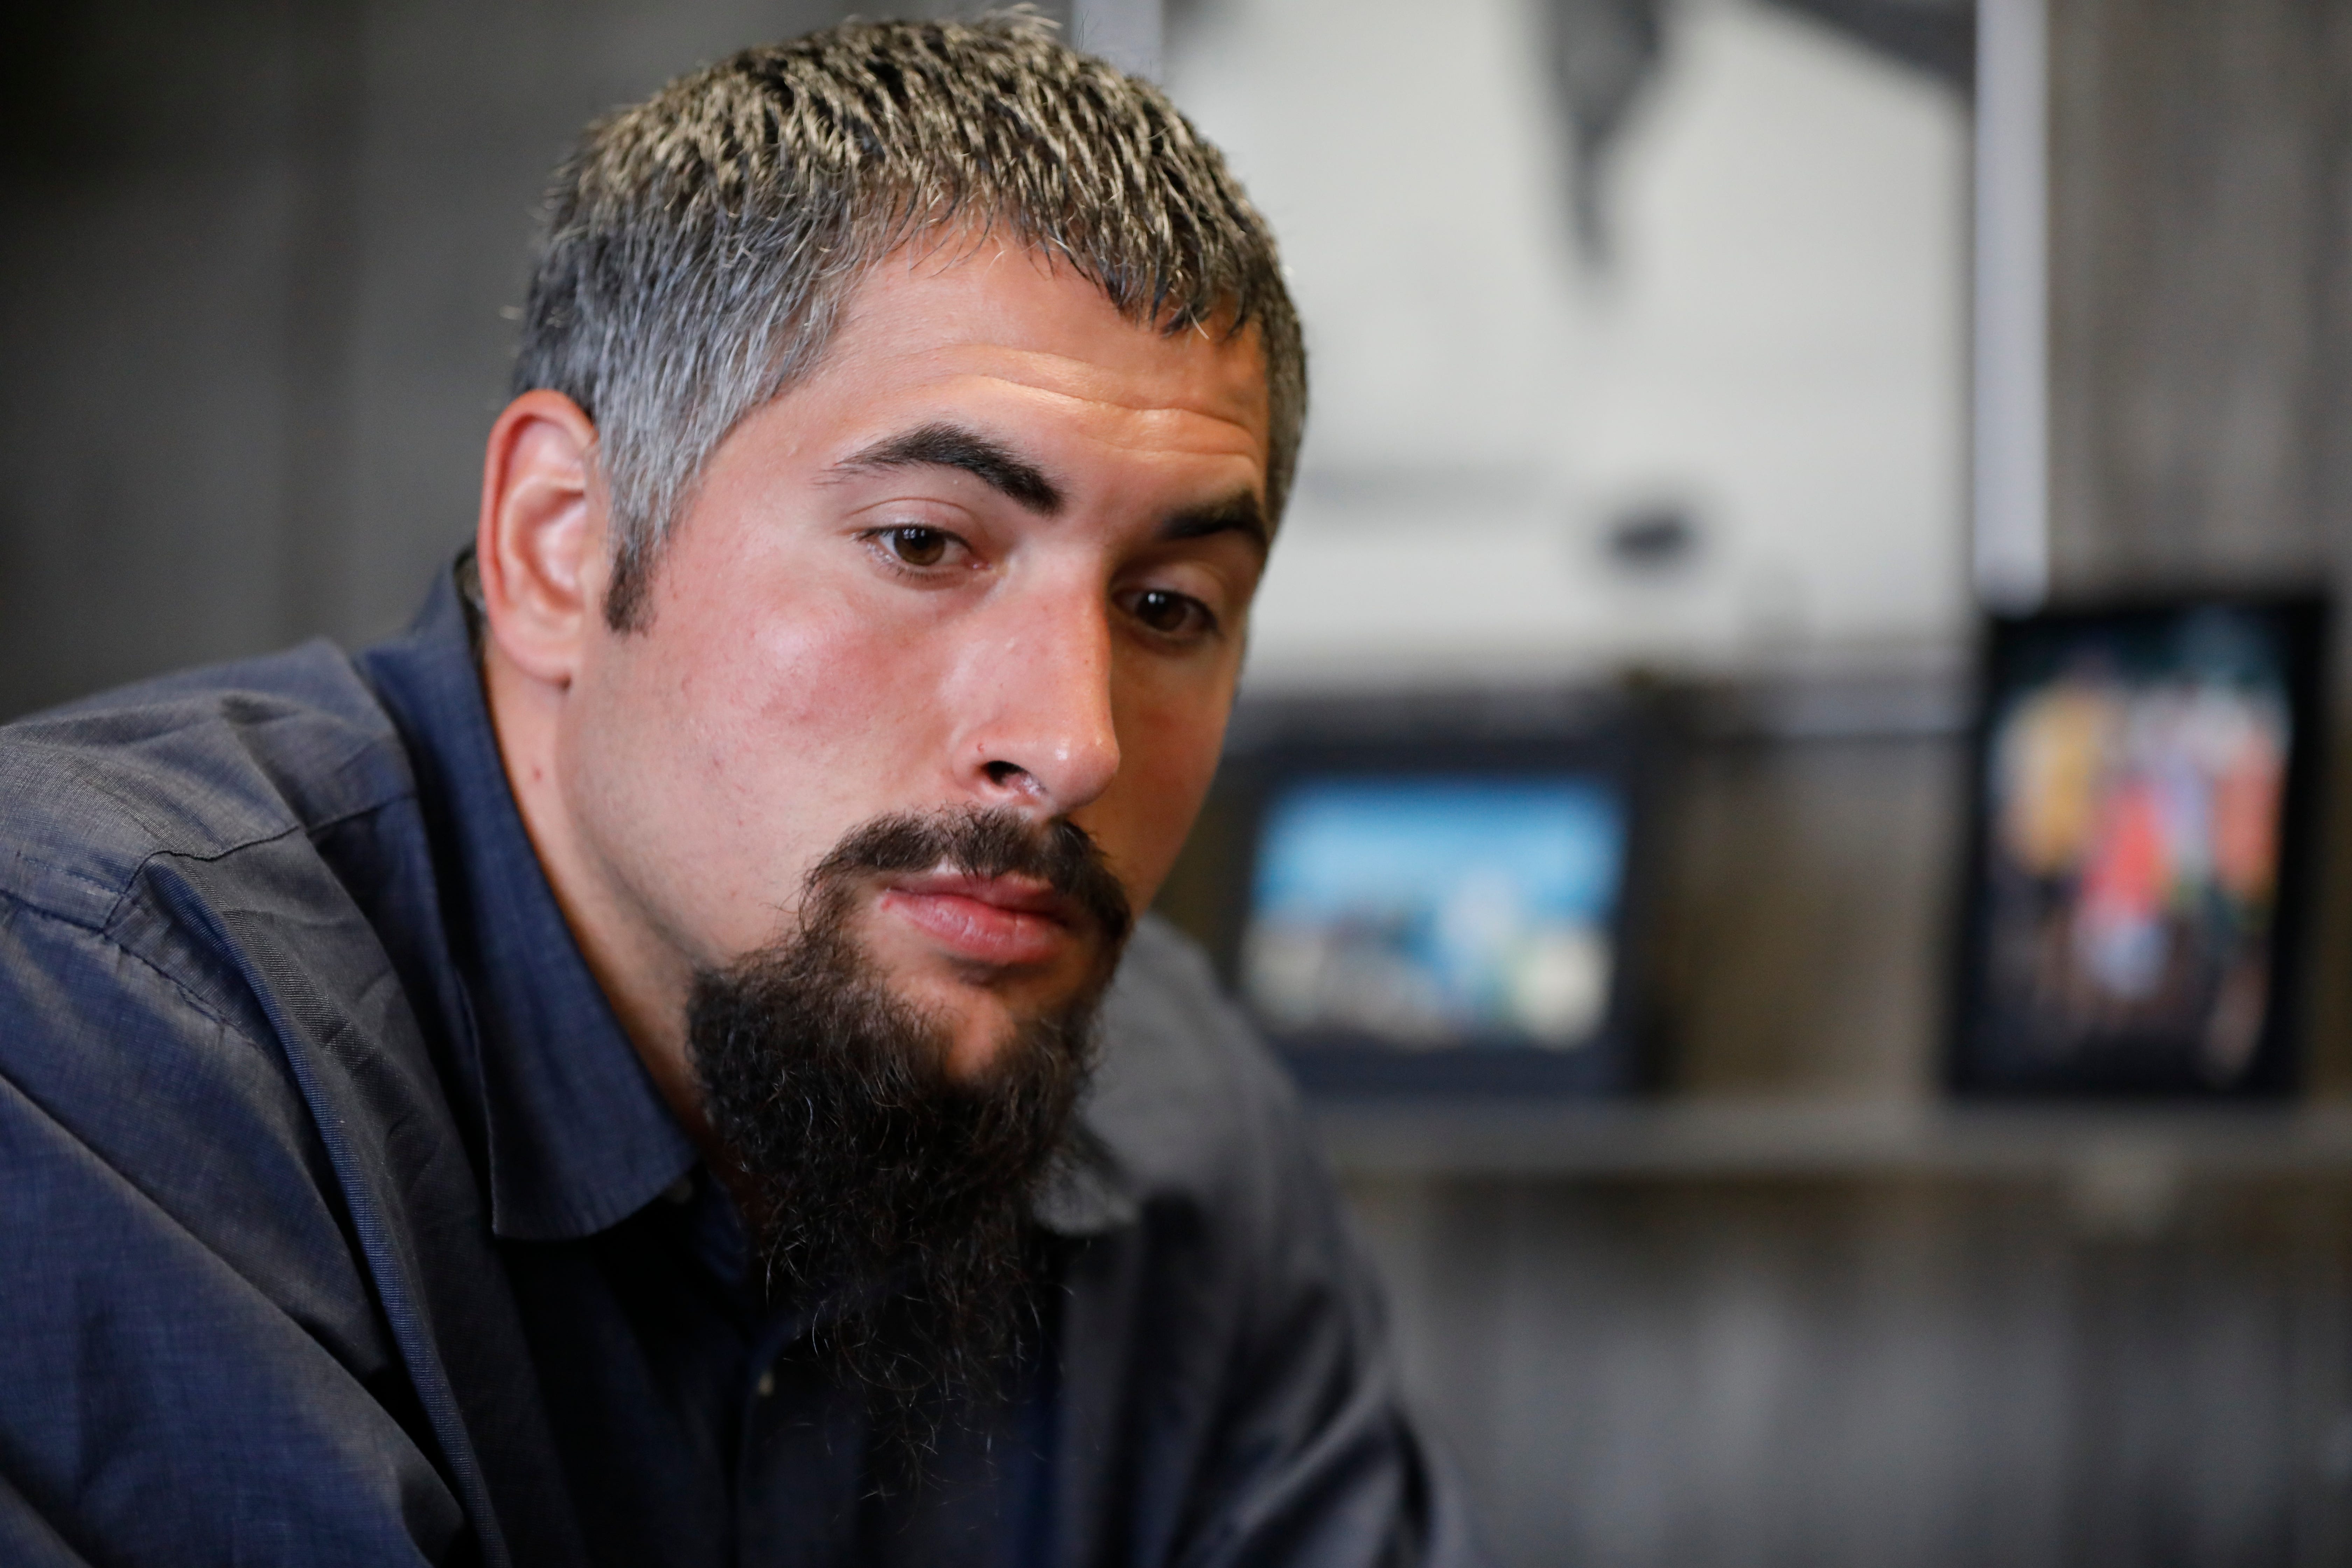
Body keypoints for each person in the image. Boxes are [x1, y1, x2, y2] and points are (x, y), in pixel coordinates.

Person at [0, 16, 1490, 1567]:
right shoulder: (91, 1006)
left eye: (1170, 606)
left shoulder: (1178, 1106)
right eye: (924, 543)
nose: (1074, 744)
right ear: (561, 544)